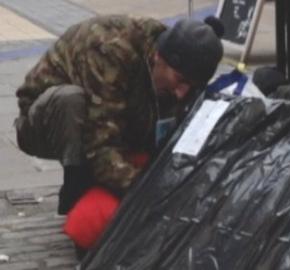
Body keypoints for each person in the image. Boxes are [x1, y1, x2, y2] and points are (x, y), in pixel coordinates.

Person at [14, 15, 224, 215]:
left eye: (191, 86)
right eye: (179, 80)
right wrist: (145, 190)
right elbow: (99, 146)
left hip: (105, 116)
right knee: (71, 100)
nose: (182, 92)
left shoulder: (174, 57)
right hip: (44, 123)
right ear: (159, 57)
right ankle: (75, 186)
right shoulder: (110, 49)